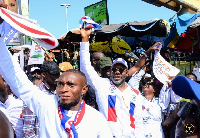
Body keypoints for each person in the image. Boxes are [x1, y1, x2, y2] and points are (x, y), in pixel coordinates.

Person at [0, 37, 113, 137]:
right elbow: (18, 80)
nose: (64, 89)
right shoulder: (46, 105)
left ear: (84, 89)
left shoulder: (96, 119)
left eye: (70, 85)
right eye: (60, 84)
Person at [80, 27, 161, 137]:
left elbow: (138, 122)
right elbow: (85, 67)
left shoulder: (135, 93)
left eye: (121, 69)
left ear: (126, 72)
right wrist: (85, 39)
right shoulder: (102, 85)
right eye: (114, 69)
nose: (117, 72)